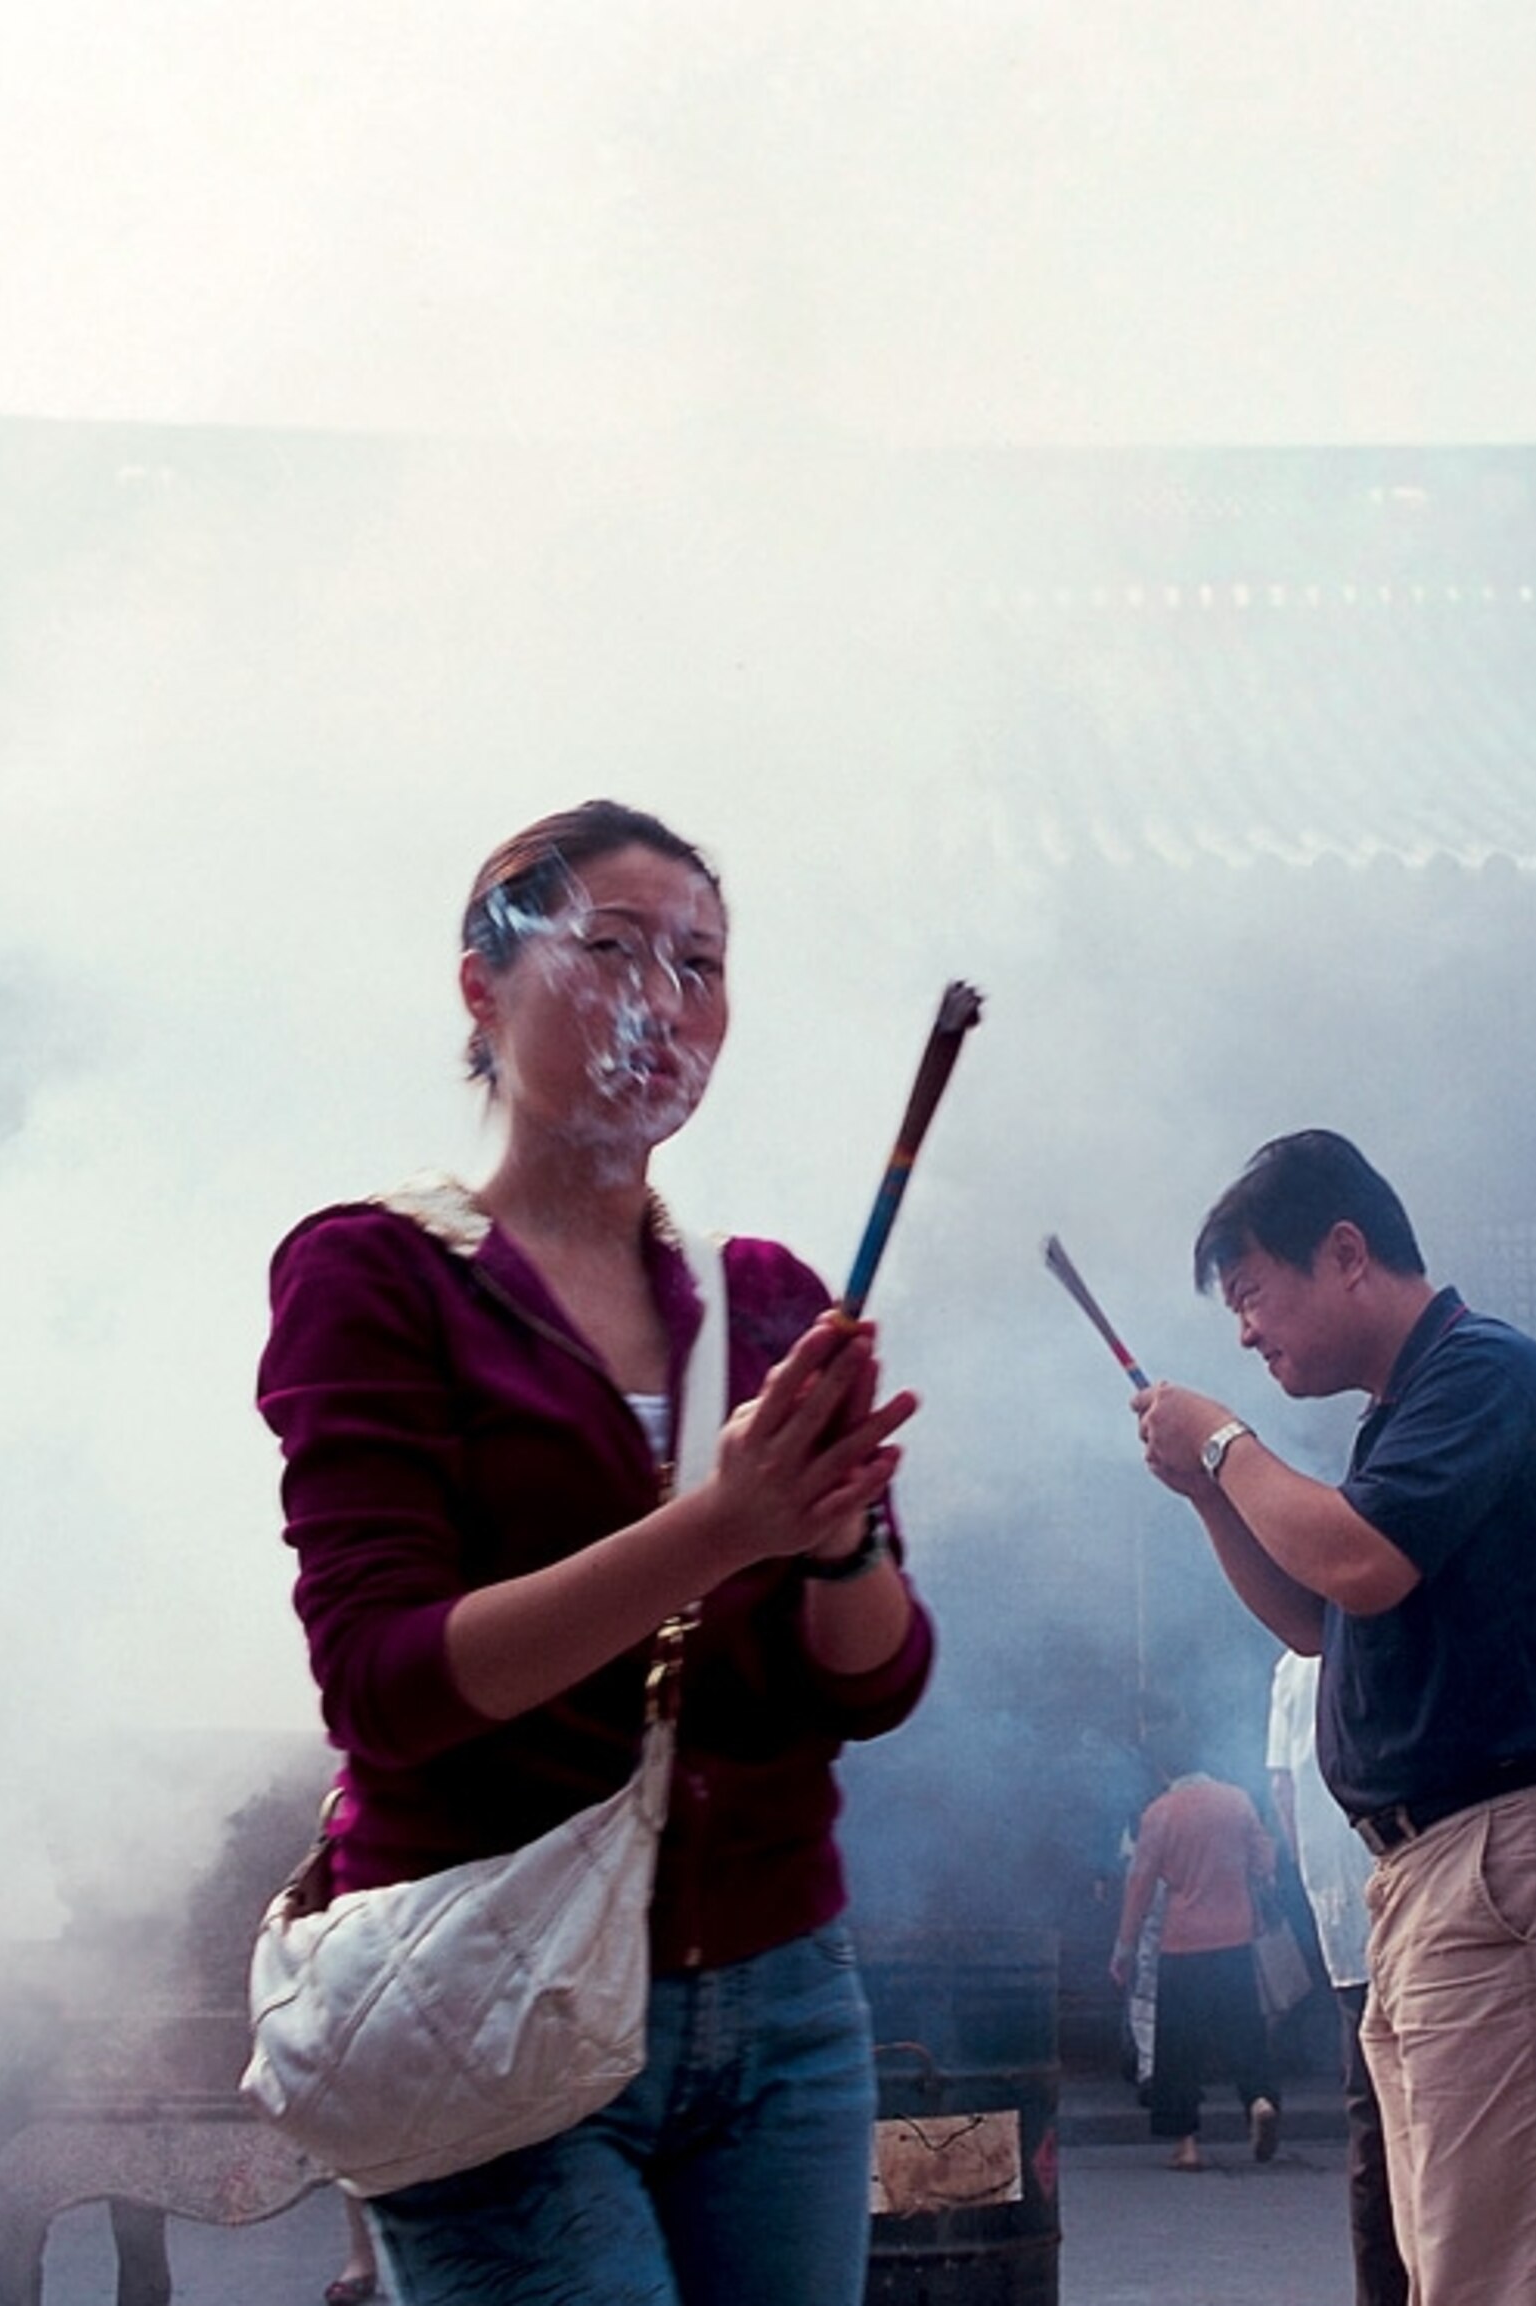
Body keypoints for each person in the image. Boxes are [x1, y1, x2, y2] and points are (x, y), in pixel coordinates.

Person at [257, 801, 935, 2305]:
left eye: (701, 964)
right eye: (614, 948)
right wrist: (719, 1526)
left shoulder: (764, 1299)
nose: (665, 1000)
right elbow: (385, 1685)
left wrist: (827, 1548)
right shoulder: (373, 1274)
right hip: (486, 1979)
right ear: (481, 987)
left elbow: (876, 1680)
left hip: (782, 1991)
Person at [1132, 1129, 1536, 2303]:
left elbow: (1356, 1560)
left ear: (1348, 1251)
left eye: (1255, 1295)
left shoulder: (1483, 1371)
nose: (1249, 1333)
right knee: (1452, 2266)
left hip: (1504, 1854)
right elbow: (1318, 1618)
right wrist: (1213, 1493)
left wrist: (1224, 1438)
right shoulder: (1406, 1408)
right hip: (1440, 1872)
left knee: (1505, 2275)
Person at [1267, 1647, 1407, 2306]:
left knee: (1372, 2121)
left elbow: (1285, 1792)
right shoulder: (1398, 1613)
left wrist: (1313, 1880)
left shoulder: (1294, 1664)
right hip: (1421, 1879)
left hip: (1343, 1908)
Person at [1112, 1760, 1282, 2170]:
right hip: (1236, 1938)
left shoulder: (1160, 1813)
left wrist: (1124, 1948)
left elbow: (1141, 1883)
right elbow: (1265, 1861)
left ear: (1163, 1772)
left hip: (1181, 1944)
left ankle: (1186, 2145)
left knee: (1177, 2051)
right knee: (1247, 2035)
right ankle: (1259, 2100)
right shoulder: (1237, 1801)